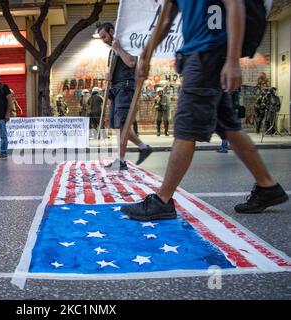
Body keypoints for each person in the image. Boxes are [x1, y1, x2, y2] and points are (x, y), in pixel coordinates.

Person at [122, 0, 288, 220]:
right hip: (201, 55)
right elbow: (165, 21)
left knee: (186, 127)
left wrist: (232, 60)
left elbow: (235, 5)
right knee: (228, 127)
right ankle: (268, 186)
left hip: (206, 55)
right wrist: (146, 55)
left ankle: (162, 200)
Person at [98, 22, 153, 171]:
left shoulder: (127, 45)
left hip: (125, 89)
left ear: (111, 31)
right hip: (116, 90)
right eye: (101, 38)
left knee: (122, 125)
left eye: (104, 36)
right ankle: (133, 153)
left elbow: (130, 62)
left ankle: (132, 154)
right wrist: (109, 77)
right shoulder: (111, 52)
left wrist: (118, 48)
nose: (104, 40)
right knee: (118, 127)